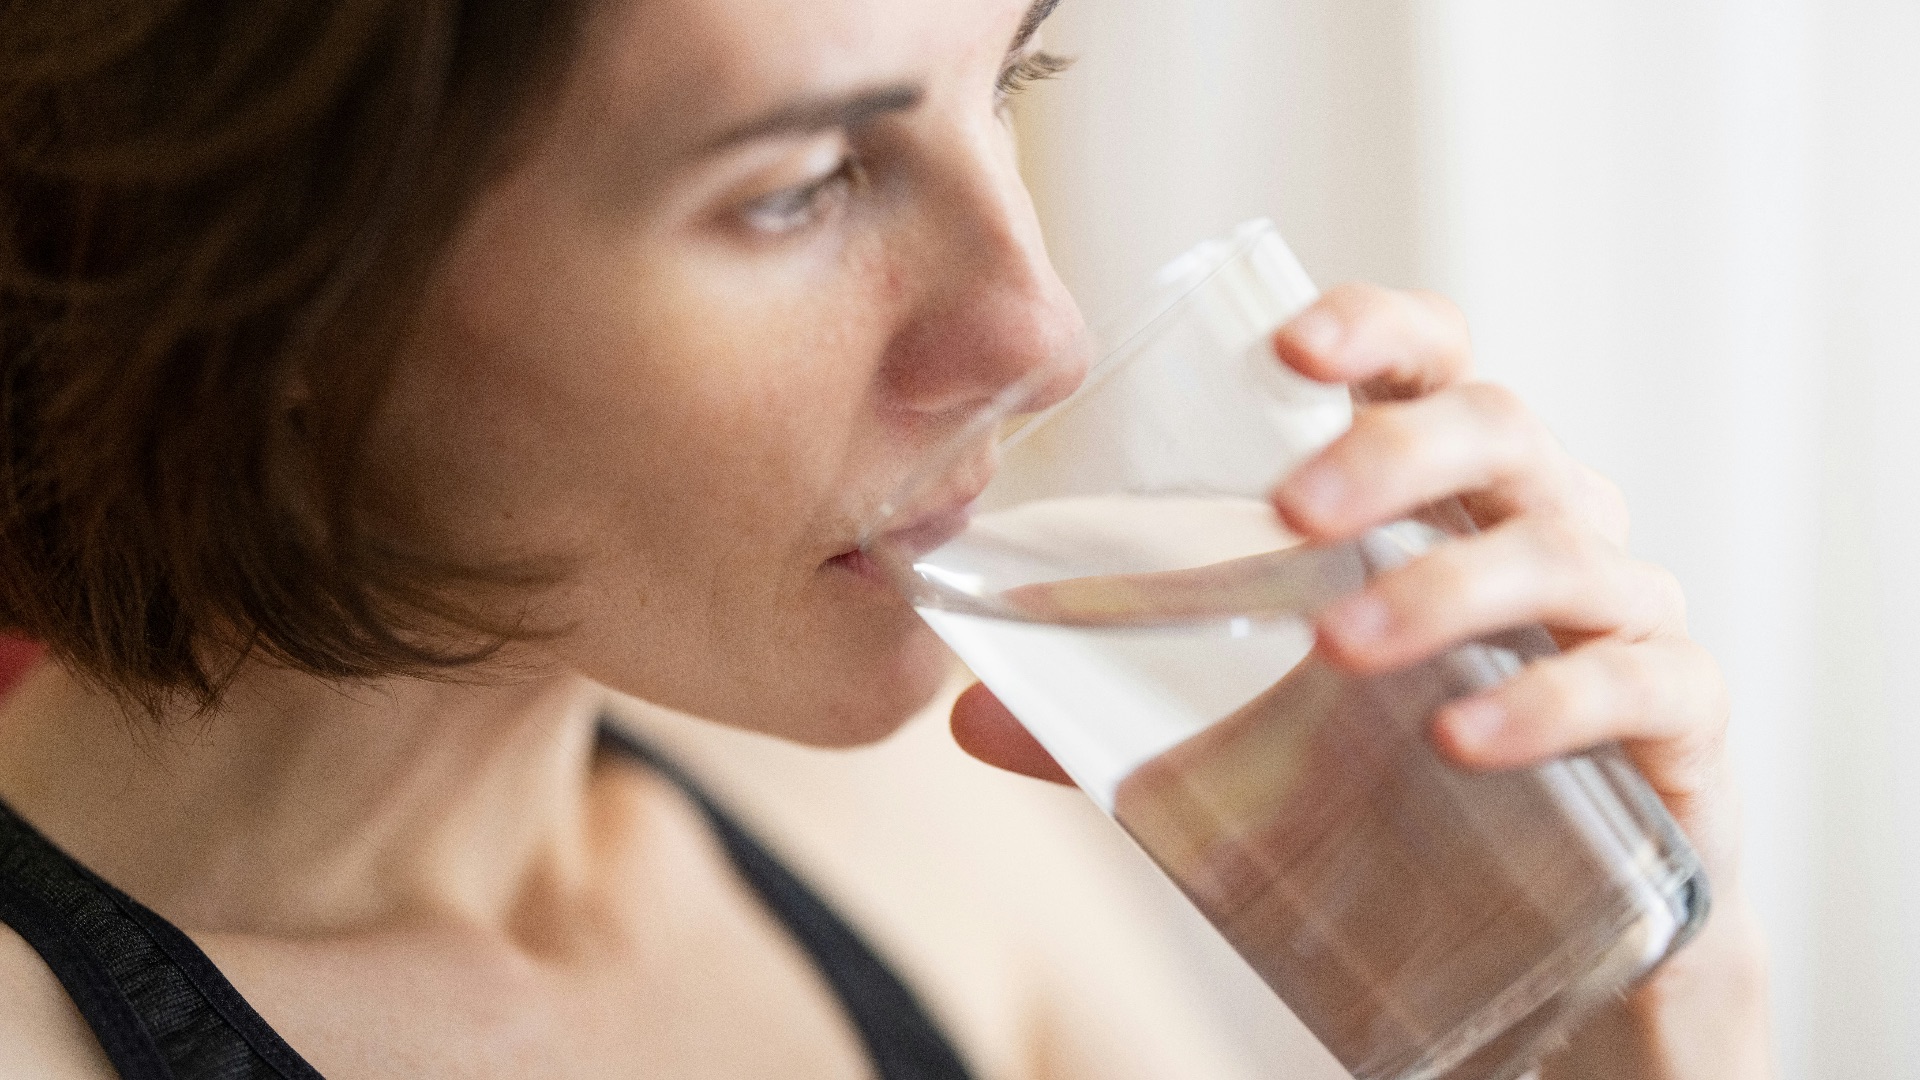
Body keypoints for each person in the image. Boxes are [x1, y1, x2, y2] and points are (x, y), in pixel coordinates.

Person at [0, 0, 1772, 1076]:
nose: (1042, 329)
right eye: (798, 186)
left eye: (1009, 77)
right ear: (257, 286)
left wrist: (1636, 1018)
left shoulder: (906, 826)